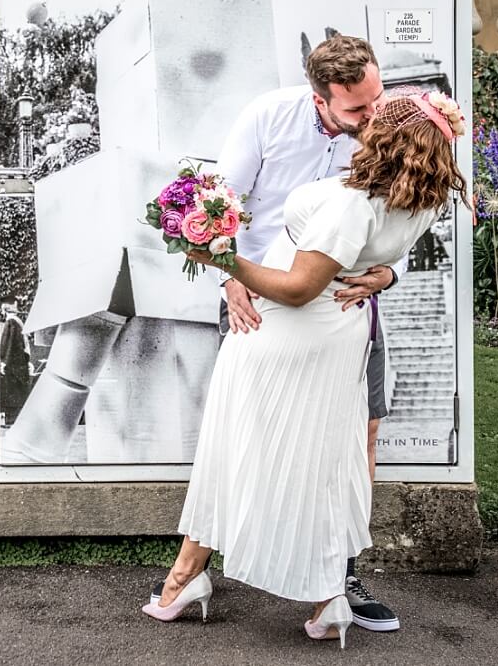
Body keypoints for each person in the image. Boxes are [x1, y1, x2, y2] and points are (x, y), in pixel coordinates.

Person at [142, 94, 468, 649]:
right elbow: (377, 256)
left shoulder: (352, 204)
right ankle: (326, 598)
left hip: (282, 338)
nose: (367, 121)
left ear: (388, 138)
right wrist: (383, 274)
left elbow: (297, 290)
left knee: (238, 449)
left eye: (377, 118)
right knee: (317, 458)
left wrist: (221, 260)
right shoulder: (421, 200)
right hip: (338, 339)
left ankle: (184, 580)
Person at [213, 35, 403, 630]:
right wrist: (227, 278)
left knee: (359, 436)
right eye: (356, 110)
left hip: (349, 308)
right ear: (319, 98)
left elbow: (416, 210)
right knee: (245, 438)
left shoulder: (388, 122)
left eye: (377, 98)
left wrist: (391, 272)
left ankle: (340, 576)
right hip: (263, 299)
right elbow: (218, 202)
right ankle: (209, 567)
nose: (373, 117)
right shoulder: (267, 118)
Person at [0, 296, 32, 426]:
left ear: (4, 308)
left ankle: (12, 420)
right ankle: (14, 420)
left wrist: (5, 362)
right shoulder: (18, 322)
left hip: (13, 363)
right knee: (17, 392)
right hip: (19, 362)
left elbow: (10, 343)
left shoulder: (11, 322)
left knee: (12, 392)